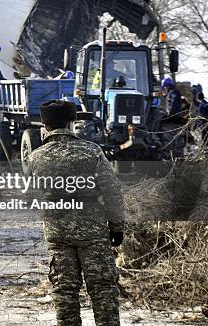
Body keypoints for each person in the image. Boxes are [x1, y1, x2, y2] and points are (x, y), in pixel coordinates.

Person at [28, 100, 125, 326]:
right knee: (102, 288)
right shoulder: (92, 151)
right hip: (92, 231)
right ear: (73, 122)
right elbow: (112, 191)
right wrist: (117, 228)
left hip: (57, 232)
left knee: (64, 289)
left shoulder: (35, 157)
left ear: (44, 124)